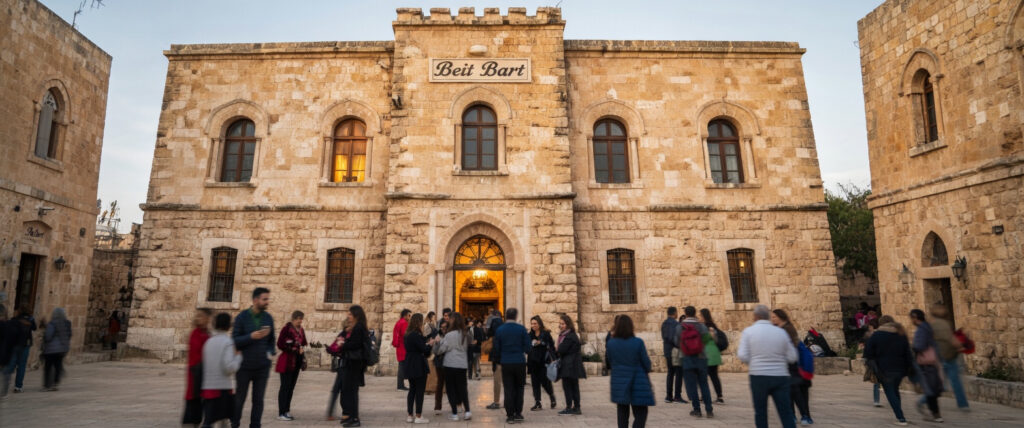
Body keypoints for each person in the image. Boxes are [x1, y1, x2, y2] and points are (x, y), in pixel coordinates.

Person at [738, 305, 797, 428]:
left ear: (755, 316)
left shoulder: (748, 332)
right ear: (768, 317)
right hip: (780, 376)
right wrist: (778, 360)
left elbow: (743, 355)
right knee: (785, 412)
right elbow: (792, 356)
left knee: (760, 412)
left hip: (758, 376)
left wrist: (754, 362)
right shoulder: (781, 332)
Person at [231, 288, 275, 428]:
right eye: (264, 299)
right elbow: (235, 340)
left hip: (262, 367)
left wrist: (270, 352)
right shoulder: (242, 317)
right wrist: (250, 337)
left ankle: (255, 425)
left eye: (268, 299)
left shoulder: (268, 318)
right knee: (240, 398)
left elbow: (271, 340)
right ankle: (234, 423)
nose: (267, 302)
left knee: (258, 400)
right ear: (255, 300)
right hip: (244, 366)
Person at [606, 315, 655, 428]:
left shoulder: (611, 344)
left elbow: (610, 362)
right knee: (641, 413)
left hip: (619, 382)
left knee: (622, 412)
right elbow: (646, 364)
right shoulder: (638, 342)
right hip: (637, 382)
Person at [864, 315, 913, 426]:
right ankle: (899, 415)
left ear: (881, 324)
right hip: (900, 368)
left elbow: (868, 353)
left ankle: (901, 418)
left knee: (890, 392)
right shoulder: (901, 333)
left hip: (884, 368)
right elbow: (908, 353)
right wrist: (909, 367)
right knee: (895, 391)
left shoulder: (877, 335)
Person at [202, 312, 243, 428]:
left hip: (208, 388)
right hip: (222, 389)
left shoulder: (208, 341)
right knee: (224, 421)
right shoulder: (227, 342)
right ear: (228, 326)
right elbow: (229, 367)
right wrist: (238, 357)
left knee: (208, 421)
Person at [772, 309, 812, 425]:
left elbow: (790, 347)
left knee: (796, 392)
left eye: (774, 317)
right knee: (790, 391)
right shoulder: (781, 329)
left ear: (780, 317)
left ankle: (805, 415)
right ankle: (794, 415)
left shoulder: (787, 328)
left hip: (793, 364)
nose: (772, 319)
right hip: (787, 364)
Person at [493, 308, 531, 424]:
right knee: (519, 388)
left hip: (506, 362)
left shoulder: (500, 330)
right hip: (519, 361)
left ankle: (510, 415)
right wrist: (521, 351)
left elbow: (496, 347)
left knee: (508, 388)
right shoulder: (521, 329)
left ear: (505, 316)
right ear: (516, 316)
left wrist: (500, 359)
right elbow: (528, 347)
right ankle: (518, 413)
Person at [930, 304, 968, 411]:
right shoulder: (942, 324)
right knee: (954, 381)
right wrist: (960, 346)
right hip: (947, 356)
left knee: (942, 382)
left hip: (941, 356)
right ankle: (962, 404)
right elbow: (950, 338)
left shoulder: (933, 324)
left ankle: (925, 400)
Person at [336, 305, 370, 427]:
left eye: (350, 314)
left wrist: (342, 344)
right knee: (349, 391)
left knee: (351, 391)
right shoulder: (358, 327)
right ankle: (350, 416)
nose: (348, 316)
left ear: (356, 315)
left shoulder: (359, 327)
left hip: (354, 363)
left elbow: (355, 344)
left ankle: (354, 418)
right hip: (353, 362)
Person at [436, 312, 472, 421]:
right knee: (463, 388)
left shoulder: (449, 335)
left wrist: (439, 342)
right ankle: (467, 411)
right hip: (462, 364)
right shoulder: (466, 334)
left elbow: (442, 349)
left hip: (450, 364)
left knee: (451, 388)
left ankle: (455, 413)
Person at [680, 306, 714, 418]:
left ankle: (697, 410)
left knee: (692, 386)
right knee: (704, 384)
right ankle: (709, 410)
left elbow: (676, 341)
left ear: (685, 313)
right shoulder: (701, 326)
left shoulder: (680, 326)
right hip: (701, 358)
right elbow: (706, 339)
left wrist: (686, 347)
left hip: (687, 358)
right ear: (695, 313)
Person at [910, 309, 943, 422]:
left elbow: (920, 345)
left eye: (912, 318)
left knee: (929, 389)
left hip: (924, 362)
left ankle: (935, 413)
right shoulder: (928, 327)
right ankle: (935, 413)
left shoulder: (921, 330)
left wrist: (914, 348)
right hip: (933, 361)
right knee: (932, 388)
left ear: (915, 318)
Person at [275, 310, 307, 421]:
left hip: (296, 362)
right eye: (299, 319)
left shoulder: (301, 330)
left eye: (301, 319)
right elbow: (280, 344)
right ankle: (281, 412)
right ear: (294, 318)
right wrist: (292, 347)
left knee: (291, 388)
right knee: (285, 387)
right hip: (287, 361)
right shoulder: (286, 329)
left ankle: (287, 410)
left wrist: (301, 350)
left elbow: (303, 343)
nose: (300, 321)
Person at [404, 313, 435, 424]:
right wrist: (430, 344)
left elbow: (417, 346)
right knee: (419, 391)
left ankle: (409, 415)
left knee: (412, 390)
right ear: (418, 322)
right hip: (418, 365)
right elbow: (424, 350)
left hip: (409, 363)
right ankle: (418, 416)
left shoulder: (407, 334)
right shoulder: (416, 334)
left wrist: (425, 342)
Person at [184, 309, 212, 426]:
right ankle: (191, 422)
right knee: (193, 398)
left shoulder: (205, 333)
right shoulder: (196, 333)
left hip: (203, 372)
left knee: (200, 398)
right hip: (196, 371)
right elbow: (197, 353)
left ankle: (197, 421)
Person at [556, 313, 586, 415]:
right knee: (574, 387)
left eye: (563, 324)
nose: (561, 325)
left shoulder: (568, 336)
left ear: (568, 325)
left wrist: (558, 348)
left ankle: (570, 407)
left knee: (568, 387)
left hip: (570, 366)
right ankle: (576, 407)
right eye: (560, 323)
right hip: (572, 365)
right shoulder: (570, 335)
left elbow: (561, 349)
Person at [2, 306, 36, 395]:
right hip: (26, 345)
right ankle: (18, 386)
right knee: (22, 366)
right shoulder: (31, 319)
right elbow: (35, 328)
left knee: (11, 364)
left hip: (16, 344)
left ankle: (5, 383)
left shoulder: (16, 319)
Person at [527, 315, 557, 411]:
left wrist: (542, 343)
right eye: (532, 324)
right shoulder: (529, 335)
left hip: (543, 362)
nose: (533, 325)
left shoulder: (546, 334)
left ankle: (551, 396)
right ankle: (538, 402)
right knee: (535, 383)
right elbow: (527, 347)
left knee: (545, 382)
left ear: (539, 324)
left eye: (535, 323)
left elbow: (551, 346)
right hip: (533, 362)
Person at [41, 307, 72, 392]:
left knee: (48, 367)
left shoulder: (52, 323)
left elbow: (48, 336)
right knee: (58, 366)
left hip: (51, 349)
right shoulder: (67, 323)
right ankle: (55, 383)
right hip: (62, 349)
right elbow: (69, 335)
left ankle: (47, 385)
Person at [700, 308, 725, 404]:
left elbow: (703, 340)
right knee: (714, 376)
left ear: (703, 316)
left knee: (703, 376)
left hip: (706, 354)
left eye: (700, 316)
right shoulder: (713, 326)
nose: (699, 318)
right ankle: (719, 396)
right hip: (715, 353)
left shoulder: (703, 327)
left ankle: (704, 396)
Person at [326, 319, 349, 421]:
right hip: (344, 366)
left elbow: (333, 348)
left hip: (343, 365)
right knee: (342, 390)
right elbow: (336, 347)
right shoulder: (345, 335)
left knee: (337, 389)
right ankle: (345, 413)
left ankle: (331, 412)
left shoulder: (343, 334)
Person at [660, 306, 684, 404]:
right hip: (675, 351)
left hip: (667, 351)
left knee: (670, 373)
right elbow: (674, 338)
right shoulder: (676, 324)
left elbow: (664, 337)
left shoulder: (664, 324)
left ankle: (668, 396)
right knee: (679, 372)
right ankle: (677, 396)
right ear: (674, 313)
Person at [432, 308, 451, 415]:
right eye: (445, 315)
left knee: (450, 384)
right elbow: (435, 351)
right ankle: (437, 406)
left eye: (448, 315)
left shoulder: (452, 334)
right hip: (440, 362)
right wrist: (437, 343)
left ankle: (456, 404)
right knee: (440, 383)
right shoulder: (437, 334)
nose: (443, 328)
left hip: (450, 361)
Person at [485, 309, 504, 410]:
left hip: (498, 358)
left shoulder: (493, 323)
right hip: (507, 358)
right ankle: (507, 401)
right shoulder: (504, 326)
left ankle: (496, 402)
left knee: (497, 381)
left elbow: (488, 333)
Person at [393, 309, 411, 391]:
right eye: (409, 315)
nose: (410, 317)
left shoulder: (399, 322)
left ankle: (401, 385)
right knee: (402, 366)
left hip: (400, 347)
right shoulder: (404, 323)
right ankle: (400, 385)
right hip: (403, 347)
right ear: (405, 315)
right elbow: (406, 335)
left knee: (402, 365)